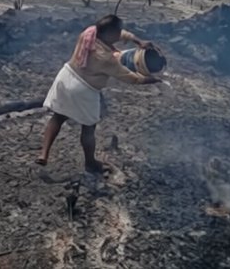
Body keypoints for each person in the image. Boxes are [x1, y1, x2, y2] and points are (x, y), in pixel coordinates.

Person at [37, 15, 161, 173]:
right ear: (109, 34)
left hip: (66, 76)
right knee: (88, 128)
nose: (119, 35)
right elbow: (131, 79)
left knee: (58, 116)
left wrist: (138, 41)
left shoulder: (88, 33)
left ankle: (44, 154)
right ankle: (90, 163)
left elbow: (120, 33)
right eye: (117, 33)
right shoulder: (106, 58)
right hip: (83, 88)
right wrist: (152, 80)